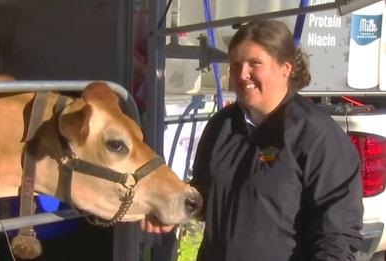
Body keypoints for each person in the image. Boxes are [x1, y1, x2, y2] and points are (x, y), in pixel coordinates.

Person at [140, 19, 364, 260]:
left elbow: (338, 234)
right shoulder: (221, 125)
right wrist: (172, 209)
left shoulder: (317, 135)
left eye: (254, 64)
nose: (242, 74)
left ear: (285, 68)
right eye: (235, 65)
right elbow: (206, 195)